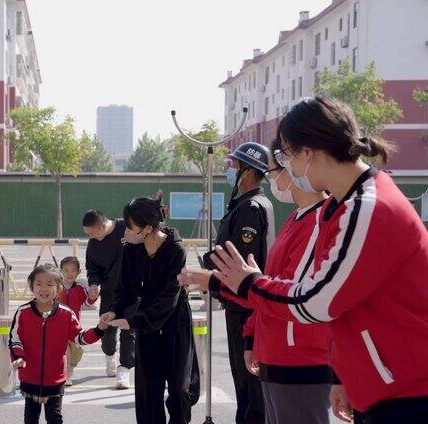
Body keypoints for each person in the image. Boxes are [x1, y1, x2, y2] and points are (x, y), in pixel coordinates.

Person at [181, 97, 428, 424]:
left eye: (286, 156)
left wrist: (248, 282)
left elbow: (315, 300)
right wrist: (345, 375)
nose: (288, 169)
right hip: (383, 386)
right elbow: (344, 304)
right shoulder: (341, 207)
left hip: (406, 392)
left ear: (307, 152)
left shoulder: (368, 207)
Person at [211, 138, 333, 424]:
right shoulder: (295, 218)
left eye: (278, 168)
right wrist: (254, 336)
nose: (274, 177)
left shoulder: (318, 221)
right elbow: (269, 278)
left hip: (299, 357)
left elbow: (288, 292)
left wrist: (217, 282)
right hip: (276, 349)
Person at [102, 193, 200, 424]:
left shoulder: (175, 249)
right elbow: (125, 290)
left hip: (175, 321)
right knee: (148, 390)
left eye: (129, 226)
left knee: (179, 388)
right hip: (147, 324)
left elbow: (169, 297)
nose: (124, 231)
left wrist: (135, 321)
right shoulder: (130, 250)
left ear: (147, 228)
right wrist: (115, 310)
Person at [206, 141, 275, 424]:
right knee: (246, 384)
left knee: (249, 384)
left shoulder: (250, 208)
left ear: (247, 172)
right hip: (241, 303)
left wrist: (207, 273)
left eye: (234, 166)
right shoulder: (249, 204)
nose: (230, 170)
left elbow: (238, 260)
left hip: (243, 305)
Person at [9, 264, 108, 424]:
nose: (44, 288)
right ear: (31, 287)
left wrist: (99, 329)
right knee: (30, 418)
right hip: (29, 377)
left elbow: (80, 337)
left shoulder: (66, 314)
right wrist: (19, 357)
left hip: (55, 378)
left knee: (54, 418)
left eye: (50, 284)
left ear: (59, 288)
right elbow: (14, 339)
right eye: (39, 284)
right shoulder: (23, 312)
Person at [82, 209, 134, 389]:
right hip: (109, 294)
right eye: (87, 233)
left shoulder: (126, 227)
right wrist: (94, 284)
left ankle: (124, 369)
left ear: (103, 225)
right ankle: (110, 356)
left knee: (129, 331)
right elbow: (92, 269)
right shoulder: (93, 244)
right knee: (107, 333)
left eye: (92, 232)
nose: (90, 236)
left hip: (132, 291)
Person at [58, 256, 99, 386]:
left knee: (74, 351)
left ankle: (68, 372)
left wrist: (93, 297)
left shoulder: (80, 288)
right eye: (66, 270)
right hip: (57, 324)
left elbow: (87, 302)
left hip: (73, 325)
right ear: (61, 271)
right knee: (63, 350)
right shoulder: (57, 287)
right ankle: (65, 375)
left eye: (73, 271)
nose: (69, 274)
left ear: (78, 272)